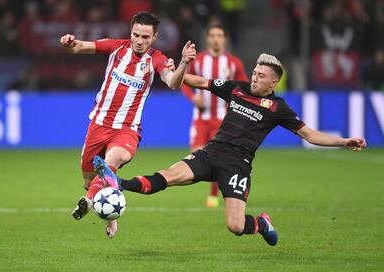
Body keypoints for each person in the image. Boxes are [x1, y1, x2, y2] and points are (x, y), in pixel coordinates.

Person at [93, 53, 366, 245]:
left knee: (235, 226)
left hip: (237, 165)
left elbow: (309, 134)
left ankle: (261, 224)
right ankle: (119, 182)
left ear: (273, 82)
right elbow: (201, 82)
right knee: (169, 175)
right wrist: (177, 70)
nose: (255, 77)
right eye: (255, 72)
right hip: (212, 152)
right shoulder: (237, 88)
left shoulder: (278, 108)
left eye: (261, 76)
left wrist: (343, 141)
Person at [60, 11, 196, 237]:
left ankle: (89, 202)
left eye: (145, 37)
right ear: (130, 32)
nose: (140, 41)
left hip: (127, 129)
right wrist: (68, 43)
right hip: (99, 124)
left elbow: (172, 82)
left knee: (110, 163)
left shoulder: (157, 59)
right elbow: (78, 47)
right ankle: (109, 212)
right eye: (136, 35)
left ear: (154, 37)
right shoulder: (116, 48)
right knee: (89, 180)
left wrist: (183, 63)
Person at [181, 23, 248, 208]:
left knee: (217, 158)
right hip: (201, 118)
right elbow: (183, 80)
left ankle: (213, 195)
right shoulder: (199, 60)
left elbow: (244, 88)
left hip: (222, 119)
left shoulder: (234, 63)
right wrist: (194, 98)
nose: (216, 38)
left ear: (224, 39)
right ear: (207, 38)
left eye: (219, 35)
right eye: (212, 35)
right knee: (196, 155)